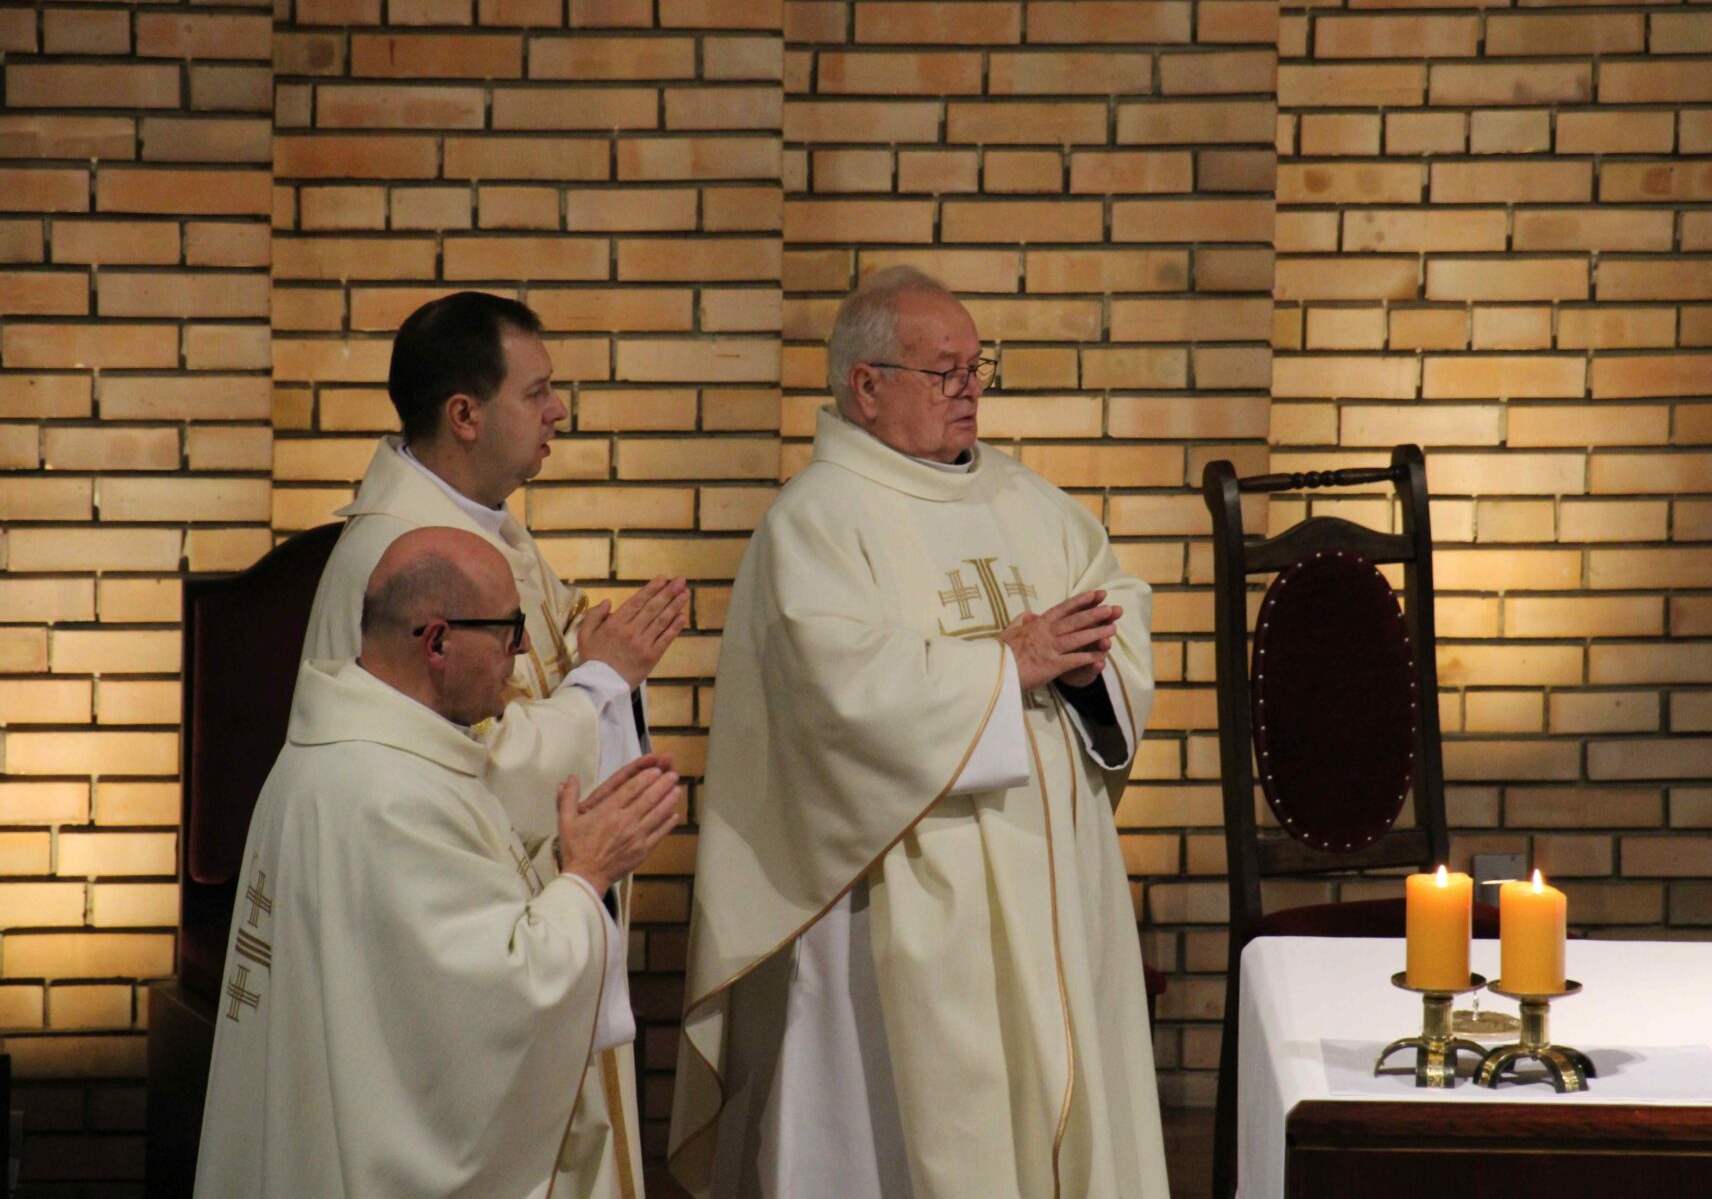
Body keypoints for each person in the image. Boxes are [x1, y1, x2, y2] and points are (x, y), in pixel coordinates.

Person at [669, 266, 1169, 1198]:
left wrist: (1092, 658)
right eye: (945, 372)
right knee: (907, 1133)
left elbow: (1116, 600)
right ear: (867, 387)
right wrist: (1004, 667)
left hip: (1049, 868)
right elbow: (834, 687)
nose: (970, 389)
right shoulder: (815, 521)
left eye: (978, 367)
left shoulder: (1025, 499)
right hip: (895, 885)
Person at [303, 292, 687, 1188]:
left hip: (537, 917)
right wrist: (601, 684)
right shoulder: (400, 556)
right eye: (538, 392)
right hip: (465, 950)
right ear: (465, 415)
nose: (560, 412)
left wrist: (598, 667)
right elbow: (464, 771)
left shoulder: (490, 533)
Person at [196, 528, 682, 1198]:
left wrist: (561, 861)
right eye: (509, 630)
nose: (521, 653)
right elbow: (493, 1005)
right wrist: (588, 875)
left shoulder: (351, 751)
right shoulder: (389, 794)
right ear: (437, 642)